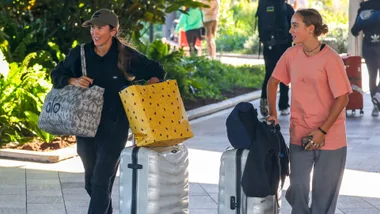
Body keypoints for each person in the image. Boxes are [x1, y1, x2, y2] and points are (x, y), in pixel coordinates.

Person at [51, 9, 166, 214]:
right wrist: (73, 80)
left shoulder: (125, 55)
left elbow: (156, 70)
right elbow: (57, 74)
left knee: (101, 181)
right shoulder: (81, 53)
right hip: (86, 127)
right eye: (93, 27)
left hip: (115, 127)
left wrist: (146, 92)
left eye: (100, 27)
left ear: (114, 30)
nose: (95, 32)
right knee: (91, 184)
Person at [267, 9, 352, 214]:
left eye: (295, 26)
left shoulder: (331, 59)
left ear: (310, 28)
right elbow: (273, 82)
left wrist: (322, 131)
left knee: (323, 197)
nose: (290, 31)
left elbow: (343, 97)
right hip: (300, 134)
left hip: (331, 136)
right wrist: (273, 113)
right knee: (298, 187)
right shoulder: (291, 54)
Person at [259, 0, 294, 117]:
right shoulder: (287, 9)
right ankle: (283, 106)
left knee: (269, 73)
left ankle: (265, 104)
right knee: (284, 74)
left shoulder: (263, 6)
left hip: (268, 45)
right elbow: (294, 29)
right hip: (284, 46)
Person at [351, 0, 380, 116]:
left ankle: (375, 107)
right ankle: (378, 94)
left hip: (368, 47)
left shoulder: (364, 8)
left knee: (372, 76)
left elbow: (354, 31)